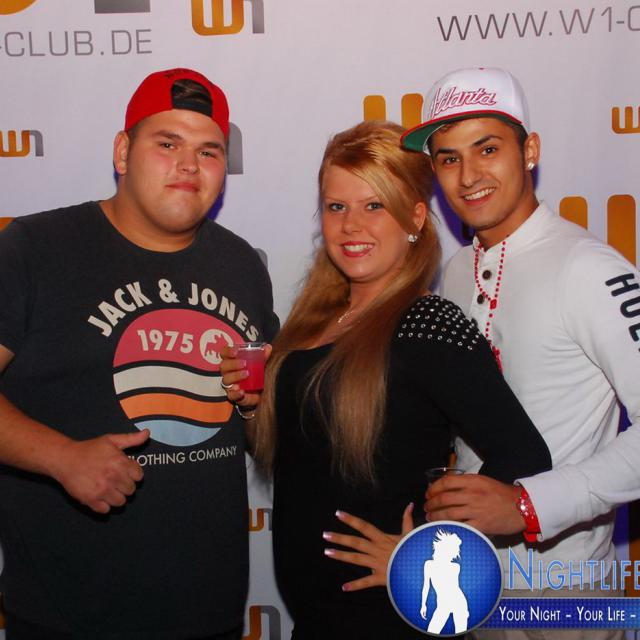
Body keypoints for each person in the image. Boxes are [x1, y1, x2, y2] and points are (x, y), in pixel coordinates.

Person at [220, 120, 551, 639]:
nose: (351, 225)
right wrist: (251, 405)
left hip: (388, 617)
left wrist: (422, 548)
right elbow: (299, 456)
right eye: (336, 207)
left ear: (415, 217)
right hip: (317, 619)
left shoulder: (427, 322)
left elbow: (524, 455)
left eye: (374, 205)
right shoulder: (314, 319)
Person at [0, 68, 278, 639]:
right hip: (67, 616)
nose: (188, 165)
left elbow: (259, 427)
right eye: (167, 143)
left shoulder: (242, 266)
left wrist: (254, 404)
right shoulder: (34, 249)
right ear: (123, 152)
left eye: (209, 151)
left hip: (209, 613)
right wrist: (61, 456)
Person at [401, 66, 640, 639]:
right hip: (474, 580)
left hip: (568, 592)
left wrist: (530, 504)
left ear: (529, 151)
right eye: (449, 158)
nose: (468, 176)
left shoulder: (588, 268)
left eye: (487, 148)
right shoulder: (456, 270)